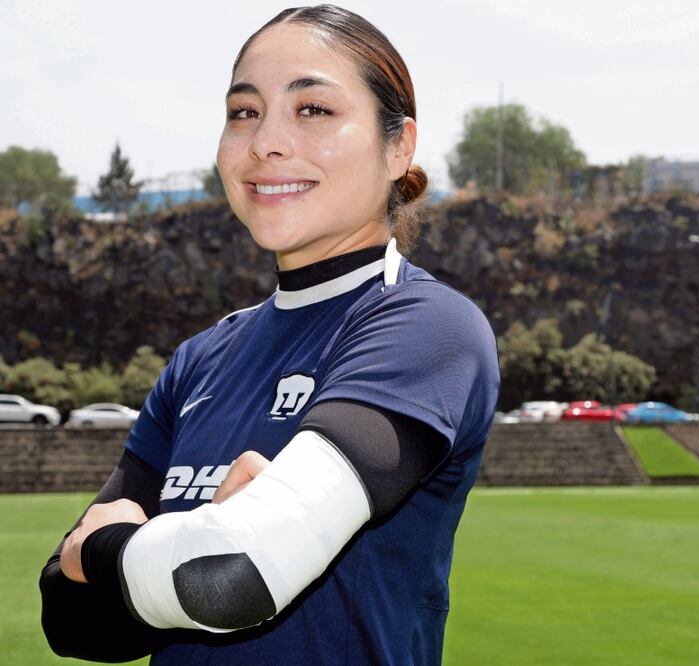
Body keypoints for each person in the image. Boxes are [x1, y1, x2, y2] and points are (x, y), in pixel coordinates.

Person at [38, 5, 499, 665]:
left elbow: (230, 577)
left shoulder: (428, 327)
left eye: (313, 109)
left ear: (398, 147)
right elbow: (70, 622)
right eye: (244, 112)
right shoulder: (199, 359)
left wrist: (104, 552)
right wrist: (186, 549)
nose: (265, 142)